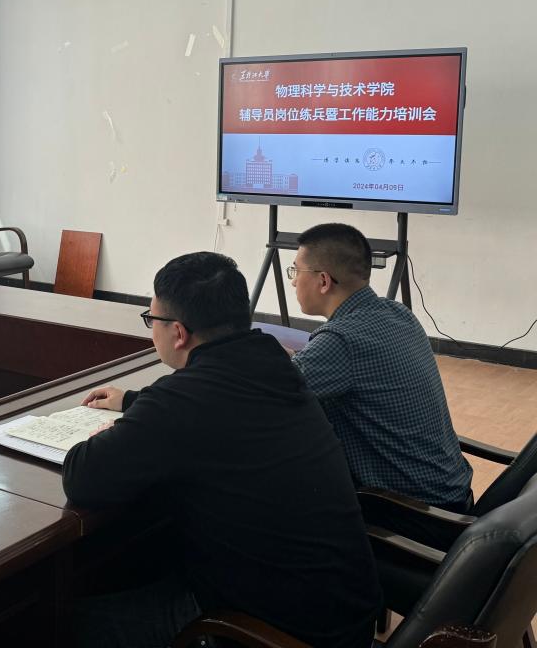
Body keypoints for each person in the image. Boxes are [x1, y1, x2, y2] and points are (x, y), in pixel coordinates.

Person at [64, 252, 381, 648]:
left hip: (270, 632)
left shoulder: (182, 400)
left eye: (151, 319)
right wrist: (138, 403)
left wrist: (117, 430)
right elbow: (220, 408)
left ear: (178, 333)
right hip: (344, 617)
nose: (151, 329)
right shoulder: (275, 362)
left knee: (61, 623)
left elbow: (83, 477)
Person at [288, 222, 473, 513]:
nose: (293, 281)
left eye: (295, 271)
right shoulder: (397, 312)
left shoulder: (341, 341)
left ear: (323, 281)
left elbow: (271, 392)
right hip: (452, 494)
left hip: (413, 513)